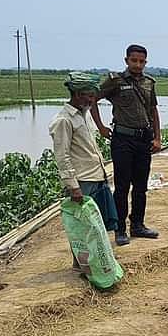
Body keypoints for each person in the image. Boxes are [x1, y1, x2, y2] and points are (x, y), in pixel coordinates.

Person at [95, 44, 161, 246]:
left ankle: (138, 225)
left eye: (141, 61)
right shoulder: (115, 81)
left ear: (145, 62)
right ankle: (120, 229)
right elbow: (93, 100)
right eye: (134, 60)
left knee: (141, 186)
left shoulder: (149, 83)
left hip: (144, 140)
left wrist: (157, 137)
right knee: (122, 187)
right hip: (122, 139)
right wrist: (101, 127)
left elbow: (153, 111)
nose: (138, 64)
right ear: (126, 60)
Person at [50, 72, 119, 251]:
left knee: (97, 225)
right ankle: (81, 263)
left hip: (97, 177)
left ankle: (94, 261)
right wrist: (73, 186)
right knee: (82, 227)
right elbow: (62, 156)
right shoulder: (64, 120)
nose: (92, 99)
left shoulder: (84, 114)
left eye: (93, 95)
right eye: (89, 95)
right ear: (78, 94)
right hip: (82, 181)